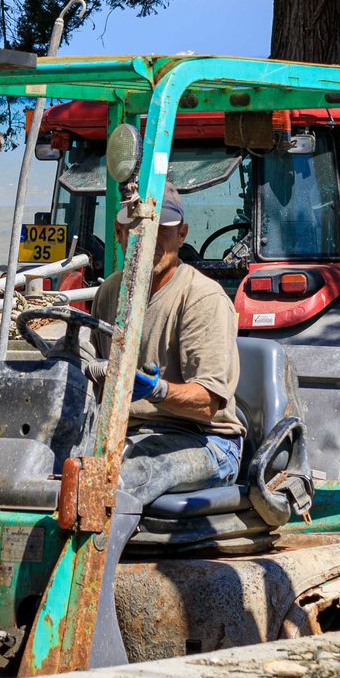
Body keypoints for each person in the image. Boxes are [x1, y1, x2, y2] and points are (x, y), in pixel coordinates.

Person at [86, 184, 247, 508]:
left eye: (162, 228)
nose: (149, 238)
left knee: (126, 476)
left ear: (181, 234)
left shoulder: (202, 297)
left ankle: (98, 557)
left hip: (206, 442)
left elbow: (207, 404)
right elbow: (93, 370)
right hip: (129, 434)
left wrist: (157, 390)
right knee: (55, 461)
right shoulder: (110, 293)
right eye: (138, 227)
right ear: (119, 232)